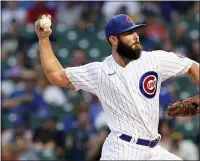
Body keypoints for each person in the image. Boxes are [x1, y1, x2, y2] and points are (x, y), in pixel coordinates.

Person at [35, 14, 199, 160]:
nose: (135, 36)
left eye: (135, 31)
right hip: (123, 149)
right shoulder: (100, 72)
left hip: (154, 150)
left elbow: (192, 66)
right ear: (113, 40)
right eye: (128, 33)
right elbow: (56, 76)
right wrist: (43, 39)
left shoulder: (154, 60)